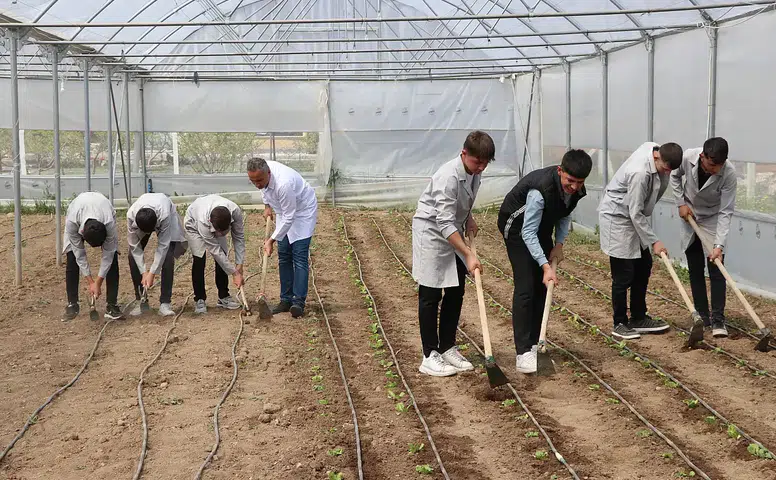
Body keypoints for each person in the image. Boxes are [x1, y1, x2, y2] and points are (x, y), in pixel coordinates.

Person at [498, 150, 593, 374]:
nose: (574, 187)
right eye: (570, 181)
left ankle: (534, 343)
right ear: (560, 171)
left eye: (579, 183)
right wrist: (545, 266)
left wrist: (559, 244)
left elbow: (564, 213)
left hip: (541, 226)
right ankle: (522, 353)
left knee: (542, 287)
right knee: (526, 286)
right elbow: (527, 232)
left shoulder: (576, 190)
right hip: (517, 227)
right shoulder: (539, 191)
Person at [411, 130, 494, 377]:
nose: (480, 167)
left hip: (453, 231)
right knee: (431, 293)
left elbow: (463, 204)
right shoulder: (448, 176)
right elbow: (444, 221)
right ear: (464, 153)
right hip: (433, 232)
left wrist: (469, 217)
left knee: (456, 290)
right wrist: (469, 254)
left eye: (485, 163)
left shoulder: (473, 174)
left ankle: (447, 346)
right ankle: (429, 354)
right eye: (477, 162)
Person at [598, 141, 684, 340]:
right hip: (617, 217)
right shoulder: (640, 173)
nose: (666, 173)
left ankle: (638, 317)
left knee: (644, 265)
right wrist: (654, 241)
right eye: (665, 168)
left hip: (632, 217)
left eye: (670, 170)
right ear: (657, 157)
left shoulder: (656, 152)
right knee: (623, 274)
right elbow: (635, 212)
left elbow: (639, 211)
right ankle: (619, 322)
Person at [670, 137, 736, 337]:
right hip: (689, 213)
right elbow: (674, 176)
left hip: (713, 218)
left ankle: (718, 320)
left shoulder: (729, 174)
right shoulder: (687, 157)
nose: (715, 169)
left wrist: (719, 245)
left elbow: (726, 211)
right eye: (711, 165)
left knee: (717, 268)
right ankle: (702, 317)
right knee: (695, 268)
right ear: (702, 156)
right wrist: (680, 203)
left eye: (719, 166)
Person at [247, 157, 318, 318]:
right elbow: (264, 190)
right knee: (284, 255)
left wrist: (271, 240)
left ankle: (298, 302)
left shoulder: (283, 184)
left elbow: (289, 217)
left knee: (299, 256)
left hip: (302, 211)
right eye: (253, 181)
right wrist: (267, 206)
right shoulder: (261, 173)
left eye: (259, 180)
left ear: (269, 173)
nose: (257, 184)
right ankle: (285, 300)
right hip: (285, 210)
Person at [62, 191, 123, 321]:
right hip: (77, 208)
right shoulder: (72, 222)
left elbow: (107, 255)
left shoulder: (109, 223)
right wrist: (91, 282)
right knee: (72, 257)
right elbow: (80, 254)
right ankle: (72, 304)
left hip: (102, 206)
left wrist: (98, 283)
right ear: (82, 233)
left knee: (112, 257)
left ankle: (112, 305)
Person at [127, 193, 188, 317]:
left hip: (167, 213)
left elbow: (163, 246)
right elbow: (135, 247)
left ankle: (165, 303)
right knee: (132, 256)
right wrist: (144, 272)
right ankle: (141, 300)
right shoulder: (131, 215)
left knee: (167, 257)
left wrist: (152, 273)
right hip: (144, 216)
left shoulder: (165, 215)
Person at [184, 194, 245, 314]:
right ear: (210, 221)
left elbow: (239, 237)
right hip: (194, 224)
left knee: (223, 255)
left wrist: (239, 263)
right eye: (218, 231)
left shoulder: (235, 211)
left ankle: (223, 296)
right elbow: (215, 251)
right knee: (199, 258)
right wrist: (234, 272)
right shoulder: (203, 220)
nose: (221, 234)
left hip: (216, 223)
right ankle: (200, 299)